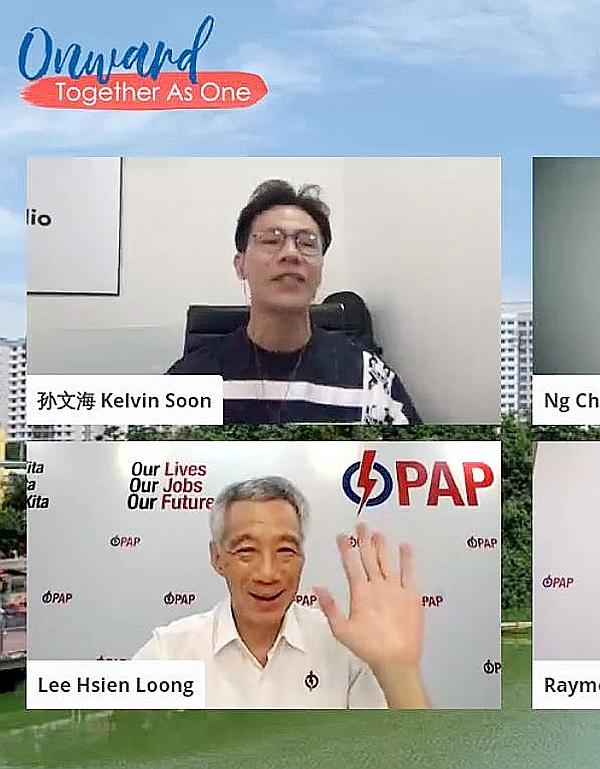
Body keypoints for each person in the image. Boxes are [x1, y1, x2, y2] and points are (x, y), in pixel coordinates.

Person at [132, 477, 429, 709]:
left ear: (302, 557)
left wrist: (399, 669)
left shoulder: (345, 650)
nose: (268, 573)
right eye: (246, 551)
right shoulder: (169, 652)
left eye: (286, 550)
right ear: (217, 558)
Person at [166, 180, 421, 425]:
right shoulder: (190, 380)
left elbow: (414, 464)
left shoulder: (370, 380)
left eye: (307, 242)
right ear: (240, 264)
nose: (290, 253)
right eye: (271, 240)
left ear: (320, 269)